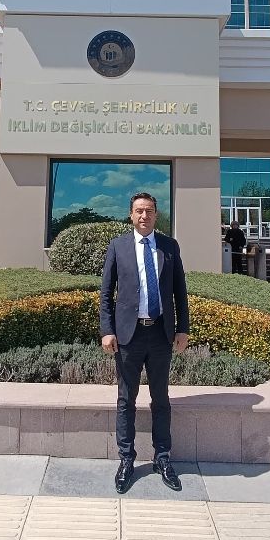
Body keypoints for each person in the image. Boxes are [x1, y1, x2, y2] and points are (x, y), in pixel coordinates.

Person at [100, 192, 189, 494]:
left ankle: (162, 458)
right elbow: (106, 293)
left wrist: (183, 329)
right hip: (129, 336)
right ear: (131, 215)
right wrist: (107, 330)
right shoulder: (118, 246)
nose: (144, 216)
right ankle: (126, 460)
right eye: (139, 211)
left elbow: (179, 291)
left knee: (160, 399)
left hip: (161, 334)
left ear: (155, 214)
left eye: (149, 211)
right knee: (126, 400)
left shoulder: (169, 246)